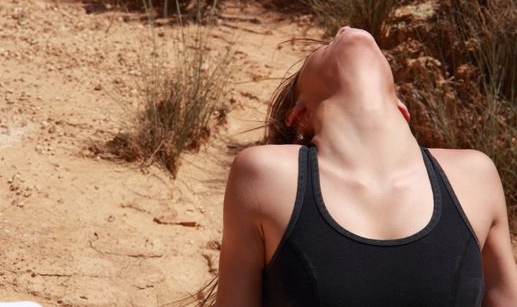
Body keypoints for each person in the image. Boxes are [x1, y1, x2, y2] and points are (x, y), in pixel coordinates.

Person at [214, 26, 517, 306]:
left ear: (402, 108)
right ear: (299, 117)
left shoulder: (476, 174)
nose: (343, 30)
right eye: (324, 48)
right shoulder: (264, 175)